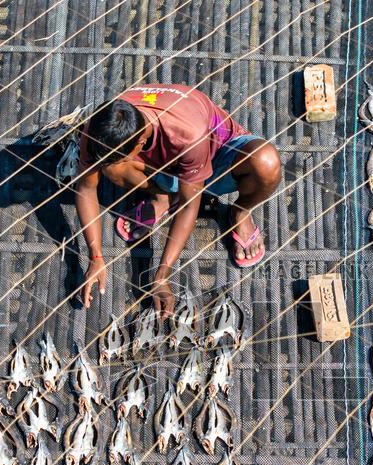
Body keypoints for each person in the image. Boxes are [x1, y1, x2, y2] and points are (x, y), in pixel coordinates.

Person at [74, 84, 282, 316]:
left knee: (266, 162)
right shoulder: (100, 126)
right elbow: (85, 188)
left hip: (216, 153)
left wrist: (162, 275)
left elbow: (188, 206)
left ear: (140, 143)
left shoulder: (186, 133)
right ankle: (162, 195)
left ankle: (240, 212)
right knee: (111, 167)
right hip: (173, 164)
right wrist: (95, 256)